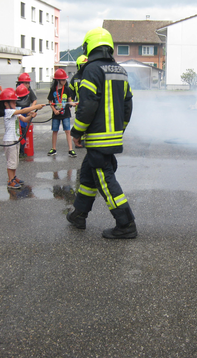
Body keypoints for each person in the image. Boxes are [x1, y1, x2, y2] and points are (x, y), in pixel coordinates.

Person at [66, 27, 137, 239]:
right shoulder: (120, 71)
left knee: (105, 181)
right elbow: (128, 104)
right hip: (112, 136)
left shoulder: (91, 70)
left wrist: (76, 132)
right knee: (88, 173)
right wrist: (120, 129)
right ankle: (79, 214)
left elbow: (87, 105)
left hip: (97, 138)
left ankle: (126, 224)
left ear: (90, 46)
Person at [0, 87, 44, 189]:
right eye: (13, 102)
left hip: (15, 139)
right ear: (6, 103)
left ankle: (13, 177)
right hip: (10, 140)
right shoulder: (8, 112)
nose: (15, 104)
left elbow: (25, 119)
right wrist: (36, 106)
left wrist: (32, 116)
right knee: (11, 161)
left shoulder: (14, 112)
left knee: (15, 161)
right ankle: (10, 181)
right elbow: (23, 110)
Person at [47, 68, 77, 157]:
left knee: (67, 131)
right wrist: (54, 110)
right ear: (58, 80)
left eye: (65, 79)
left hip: (66, 113)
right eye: (63, 79)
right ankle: (53, 148)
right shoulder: (53, 89)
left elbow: (69, 101)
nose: (64, 81)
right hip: (56, 114)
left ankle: (70, 149)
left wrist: (74, 104)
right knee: (55, 131)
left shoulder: (67, 89)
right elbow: (50, 101)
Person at [16, 73, 38, 157]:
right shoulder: (17, 91)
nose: (28, 85)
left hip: (25, 115)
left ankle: (21, 151)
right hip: (19, 115)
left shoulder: (29, 91)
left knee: (24, 133)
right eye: (26, 83)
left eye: (28, 83)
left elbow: (34, 100)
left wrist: (31, 109)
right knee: (20, 133)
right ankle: (20, 151)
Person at [70, 55, 88, 147]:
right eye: (82, 65)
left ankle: (86, 139)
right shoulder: (75, 78)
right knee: (79, 122)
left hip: (89, 105)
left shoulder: (90, 76)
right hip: (79, 106)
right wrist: (70, 102)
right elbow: (71, 93)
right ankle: (79, 138)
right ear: (78, 66)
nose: (84, 67)